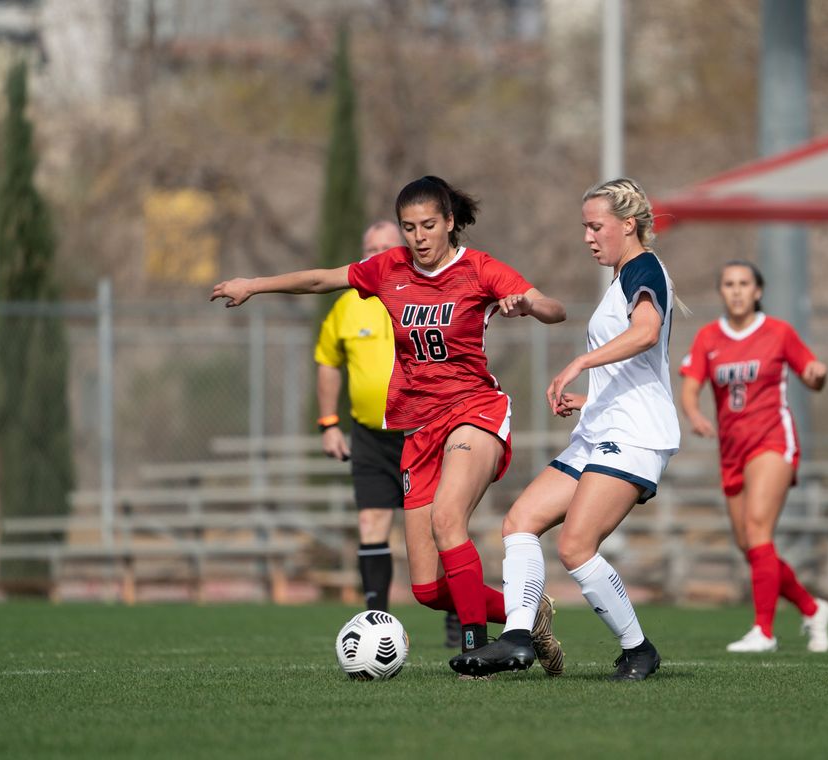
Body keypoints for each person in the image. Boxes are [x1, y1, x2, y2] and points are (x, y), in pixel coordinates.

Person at [212, 176, 567, 671]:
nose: (418, 237)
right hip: (418, 427)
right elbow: (321, 280)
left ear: (448, 223)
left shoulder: (480, 268)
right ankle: (526, 615)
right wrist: (254, 285)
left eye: (428, 225)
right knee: (424, 587)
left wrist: (527, 303)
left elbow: (556, 308)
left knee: (448, 519)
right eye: (408, 227)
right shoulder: (390, 268)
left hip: (473, 412)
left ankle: (474, 649)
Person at [450, 177, 679, 682]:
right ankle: (516, 637)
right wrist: (592, 397)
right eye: (584, 227)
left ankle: (638, 650)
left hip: (637, 433)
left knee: (576, 547)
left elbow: (645, 334)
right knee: (520, 521)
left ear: (628, 224)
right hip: (604, 426)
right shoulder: (621, 278)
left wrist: (580, 363)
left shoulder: (644, 268)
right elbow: (633, 369)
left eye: (596, 226)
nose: (588, 237)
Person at [315, 219, 459, 647]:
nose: (375, 255)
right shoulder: (347, 305)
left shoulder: (422, 295)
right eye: (369, 247)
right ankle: (375, 620)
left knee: (442, 525)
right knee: (371, 521)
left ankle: (458, 614)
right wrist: (329, 423)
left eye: (385, 247)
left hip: (424, 430)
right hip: (369, 435)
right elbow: (327, 362)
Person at [679, 260, 828, 654]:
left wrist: (817, 373)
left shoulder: (778, 332)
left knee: (758, 528)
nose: (736, 290)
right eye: (729, 283)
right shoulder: (708, 337)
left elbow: (811, 374)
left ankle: (763, 631)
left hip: (772, 441)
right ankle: (812, 608)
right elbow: (690, 387)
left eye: (744, 283)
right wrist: (694, 414)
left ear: (758, 291)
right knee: (750, 544)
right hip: (731, 449)